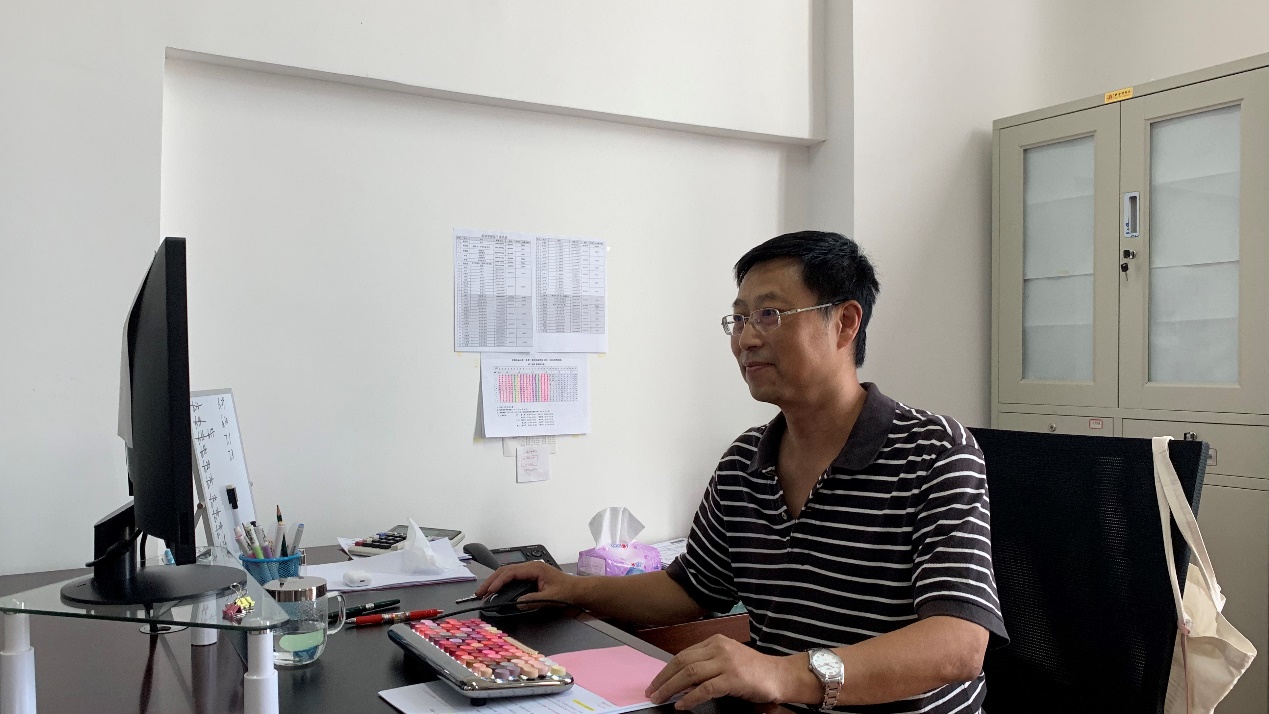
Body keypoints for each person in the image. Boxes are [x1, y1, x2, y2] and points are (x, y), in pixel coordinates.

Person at [477, 231, 1007, 713]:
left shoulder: (933, 450)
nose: (746, 339)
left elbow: (958, 644)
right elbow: (690, 589)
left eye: (770, 315)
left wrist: (781, 675)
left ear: (845, 323)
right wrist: (571, 588)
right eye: (739, 319)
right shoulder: (746, 459)